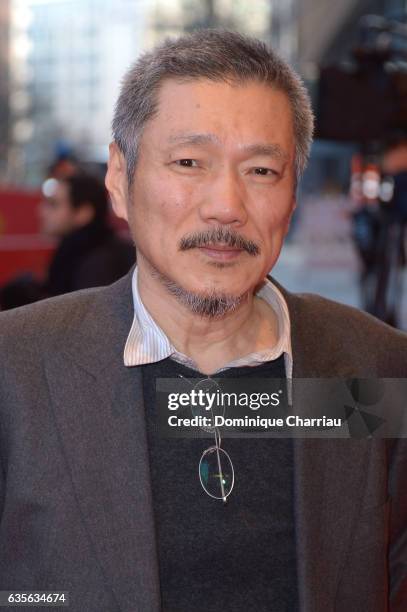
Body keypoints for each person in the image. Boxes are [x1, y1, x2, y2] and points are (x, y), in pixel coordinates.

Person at [0, 29, 406, 612]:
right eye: (189, 162)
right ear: (120, 177)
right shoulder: (17, 371)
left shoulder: (378, 371)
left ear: (293, 193)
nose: (226, 205)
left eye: (262, 170)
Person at [0, 173, 134, 309]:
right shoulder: (75, 253)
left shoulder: (97, 264)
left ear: (83, 213)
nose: (41, 211)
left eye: (54, 204)